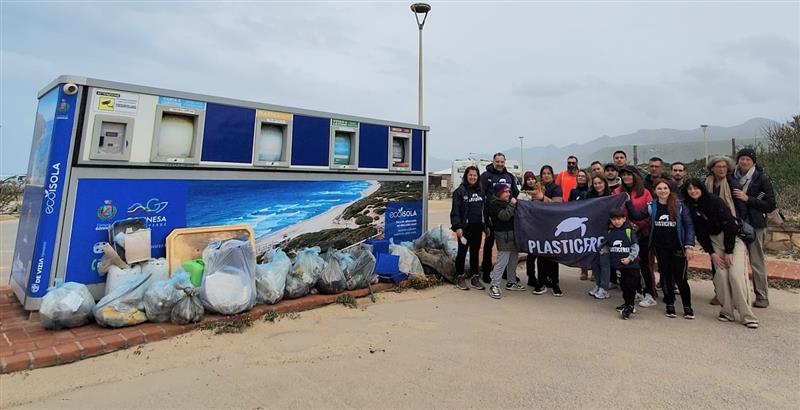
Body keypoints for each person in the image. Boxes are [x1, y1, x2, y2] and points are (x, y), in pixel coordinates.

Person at [682, 179, 758, 328]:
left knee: (736, 276)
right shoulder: (689, 207)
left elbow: (729, 224)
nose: (693, 191)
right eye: (690, 189)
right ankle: (727, 311)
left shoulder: (715, 202)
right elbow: (700, 234)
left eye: (695, 188)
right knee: (721, 276)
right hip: (714, 242)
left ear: (702, 189)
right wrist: (712, 253)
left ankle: (747, 315)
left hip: (732, 240)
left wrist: (729, 251)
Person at [627, 179, 696, 319]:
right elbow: (636, 216)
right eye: (659, 188)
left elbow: (689, 226)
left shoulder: (679, 206)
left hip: (678, 247)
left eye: (665, 188)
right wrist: (628, 201)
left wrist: (689, 245)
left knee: (680, 278)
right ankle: (669, 304)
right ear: (655, 191)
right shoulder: (652, 206)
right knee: (665, 276)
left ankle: (687, 306)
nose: (663, 191)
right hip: (660, 247)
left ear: (669, 190)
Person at [733, 148, 777, 309]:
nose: (744, 162)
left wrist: (748, 199)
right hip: (737, 224)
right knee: (734, 261)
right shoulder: (732, 177)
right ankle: (736, 295)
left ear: (753, 162)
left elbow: (770, 204)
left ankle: (762, 297)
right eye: (742, 158)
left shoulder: (762, 179)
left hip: (755, 225)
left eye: (748, 159)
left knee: (756, 261)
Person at [615, 165, 657, 307]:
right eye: (624, 174)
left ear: (635, 176)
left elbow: (650, 213)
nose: (626, 177)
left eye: (629, 174)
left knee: (645, 264)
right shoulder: (617, 192)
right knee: (630, 266)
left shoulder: (645, 192)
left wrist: (640, 225)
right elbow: (615, 212)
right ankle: (637, 290)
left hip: (643, 233)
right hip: (625, 234)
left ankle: (650, 293)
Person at [479, 153, 520, 283]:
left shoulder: (509, 176)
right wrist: (485, 220)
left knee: (508, 247)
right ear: (493, 161)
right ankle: (486, 272)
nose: (500, 164)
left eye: (502, 162)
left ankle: (507, 274)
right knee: (488, 245)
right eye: (497, 161)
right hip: (491, 217)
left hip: (506, 217)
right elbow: (481, 196)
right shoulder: (485, 176)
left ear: (505, 162)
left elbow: (516, 194)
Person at [529, 165, 564, 296]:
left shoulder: (556, 188)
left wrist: (543, 198)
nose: (546, 175)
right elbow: (533, 205)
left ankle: (555, 283)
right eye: (544, 173)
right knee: (541, 255)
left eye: (549, 173)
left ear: (552, 175)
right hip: (540, 226)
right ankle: (541, 282)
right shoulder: (537, 188)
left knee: (553, 256)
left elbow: (557, 206)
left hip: (554, 227)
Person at [450, 166, 486, 291]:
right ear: (466, 176)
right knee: (462, 252)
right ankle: (460, 277)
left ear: (478, 177)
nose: (473, 177)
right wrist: (457, 227)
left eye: (475, 175)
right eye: (470, 175)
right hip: (465, 228)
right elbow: (455, 211)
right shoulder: (459, 191)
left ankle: (474, 276)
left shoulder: (481, 191)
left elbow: (484, 211)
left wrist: (486, 226)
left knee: (475, 252)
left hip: (477, 227)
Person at [486, 184, 524, 298]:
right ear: (499, 193)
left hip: (513, 235)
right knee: (502, 261)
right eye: (505, 192)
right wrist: (512, 204)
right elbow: (504, 216)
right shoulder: (495, 204)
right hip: (504, 237)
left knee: (513, 260)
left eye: (508, 192)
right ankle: (494, 285)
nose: (508, 194)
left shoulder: (506, 203)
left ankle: (511, 281)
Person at [603, 208, 641, 320]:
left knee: (631, 286)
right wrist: (603, 250)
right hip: (619, 266)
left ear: (624, 219)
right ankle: (627, 303)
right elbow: (609, 246)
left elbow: (635, 247)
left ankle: (630, 306)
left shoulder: (628, 231)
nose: (617, 222)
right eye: (614, 219)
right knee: (624, 286)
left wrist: (630, 258)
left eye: (619, 219)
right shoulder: (611, 233)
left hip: (631, 266)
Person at [519, 171, 548, 288]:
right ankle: (531, 276)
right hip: (529, 227)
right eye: (528, 179)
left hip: (541, 226)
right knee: (531, 254)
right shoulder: (522, 194)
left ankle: (543, 277)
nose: (531, 181)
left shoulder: (541, 192)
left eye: (532, 179)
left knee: (541, 253)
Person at [587, 174, 613, 294]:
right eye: (595, 183)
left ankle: (604, 288)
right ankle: (597, 284)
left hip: (606, 234)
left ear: (605, 183)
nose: (598, 185)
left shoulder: (611, 197)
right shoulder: (589, 197)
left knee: (604, 261)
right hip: (592, 233)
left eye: (600, 183)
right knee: (594, 261)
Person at [567, 170, 591, 281]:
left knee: (591, 247)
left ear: (587, 178)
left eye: (583, 176)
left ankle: (594, 271)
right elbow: (569, 205)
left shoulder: (591, 191)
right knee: (581, 247)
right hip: (576, 222)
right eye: (579, 176)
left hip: (590, 221)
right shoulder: (573, 191)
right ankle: (584, 270)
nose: (581, 178)